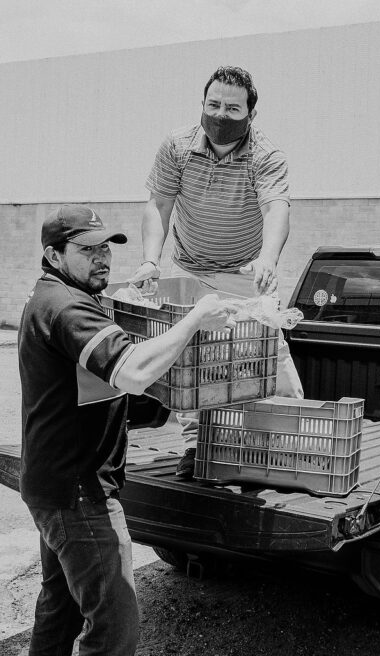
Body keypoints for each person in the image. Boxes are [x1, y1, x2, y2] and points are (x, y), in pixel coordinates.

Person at [19, 205, 235, 656]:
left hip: (55, 483)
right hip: (79, 494)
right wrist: (194, 319)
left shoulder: (61, 296)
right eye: (87, 249)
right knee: (115, 628)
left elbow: (106, 385)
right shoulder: (67, 307)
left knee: (61, 609)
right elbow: (133, 371)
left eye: (106, 248)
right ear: (54, 255)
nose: (102, 258)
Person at [128, 65, 303, 478]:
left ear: (251, 114)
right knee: (192, 361)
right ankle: (196, 447)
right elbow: (159, 204)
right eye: (214, 104)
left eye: (232, 108)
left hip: (247, 274)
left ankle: (289, 443)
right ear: (202, 104)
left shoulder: (266, 155)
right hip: (190, 271)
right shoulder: (177, 146)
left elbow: (276, 209)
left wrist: (268, 258)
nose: (221, 115)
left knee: (267, 357)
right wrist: (151, 260)